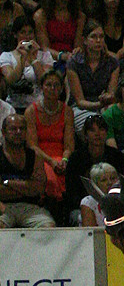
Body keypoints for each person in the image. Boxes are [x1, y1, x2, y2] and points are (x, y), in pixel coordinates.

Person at [23, 68, 73, 212]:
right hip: (40, 157)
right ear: (42, 87)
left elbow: (69, 145)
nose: (53, 89)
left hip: (61, 157)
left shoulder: (67, 111)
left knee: (68, 174)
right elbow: (31, 145)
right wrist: (51, 161)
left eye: (57, 85)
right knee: (50, 177)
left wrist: (64, 160)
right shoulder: (31, 111)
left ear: (62, 89)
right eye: (49, 85)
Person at [65, 113, 124, 220]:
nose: (97, 134)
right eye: (92, 130)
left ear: (107, 133)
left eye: (101, 129)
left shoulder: (116, 156)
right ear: (86, 135)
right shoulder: (76, 158)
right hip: (83, 205)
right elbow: (71, 191)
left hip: (115, 204)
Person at [0, 113, 55, 227]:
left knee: (48, 227)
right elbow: (32, 189)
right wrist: (27, 188)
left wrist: (7, 183)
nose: (18, 132)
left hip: (31, 207)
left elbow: (38, 189)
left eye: (22, 128)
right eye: (13, 129)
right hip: (3, 207)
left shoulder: (35, 156)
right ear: (3, 132)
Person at [65, 20, 118, 131]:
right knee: (94, 126)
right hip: (81, 107)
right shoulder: (74, 63)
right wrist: (99, 104)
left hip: (105, 106)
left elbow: (111, 93)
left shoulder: (112, 62)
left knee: (112, 118)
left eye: (101, 37)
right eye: (93, 37)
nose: (98, 41)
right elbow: (79, 101)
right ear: (84, 40)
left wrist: (108, 98)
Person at [0, 15, 52, 112]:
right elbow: (10, 80)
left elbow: (45, 81)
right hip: (15, 107)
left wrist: (33, 59)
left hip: (39, 106)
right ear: (15, 34)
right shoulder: (6, 56)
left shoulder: (45, 56)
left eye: (30, 32)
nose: (27, 36)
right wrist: (22, 58)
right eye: (22, 32)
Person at [34, 0, 85, 67]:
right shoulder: (41, 15)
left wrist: (77, 51)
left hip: (72, 60)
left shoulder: (80, 16)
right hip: (49, 61)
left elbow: (78, 45)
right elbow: (44, 47)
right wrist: (61, 56)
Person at [79, 160, 118, 226]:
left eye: (113, 178)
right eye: (104, 180)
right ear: (95, 184)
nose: (109, 183)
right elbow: (90, 233)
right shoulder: (88, 202)